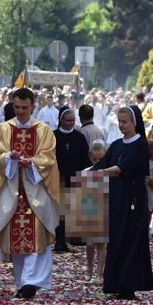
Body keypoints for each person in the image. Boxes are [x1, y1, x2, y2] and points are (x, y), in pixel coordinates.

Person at [0, 88, 60, 300]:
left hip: (35, 191)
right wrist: (10, 157)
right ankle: (22, 282)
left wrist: (31, 163)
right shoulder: (4, 129)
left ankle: (31, 281)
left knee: (37, 237)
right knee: (16, 241)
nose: (20, 112)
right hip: (11, 190)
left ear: (33, 106)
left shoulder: (44, 130)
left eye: (24, 108)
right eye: (17, 107)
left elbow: (48, 158)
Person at [88, 105, 153, 300]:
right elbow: (104, 163)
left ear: (135, 123)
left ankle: (129, 285)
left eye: (124, 122)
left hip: (133, 200)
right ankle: (115, 284)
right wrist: (87, 173)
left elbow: (121, 168)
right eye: (119, 121)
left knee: (131, 240)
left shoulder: (142, 144)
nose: (121, 125)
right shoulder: (117, 144)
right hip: (117, 199)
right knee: (117, 240)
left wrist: (100, 173)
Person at [53, 106, 91, 253]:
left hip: (75, 178)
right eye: (68, 120)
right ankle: (59, 242)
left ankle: (68, 240)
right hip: (58, 178)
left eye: (73, 120)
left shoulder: (79, 137)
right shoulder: (53, 136)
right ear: (61, 120)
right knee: (59, 212)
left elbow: (85, 160)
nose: (70, 123)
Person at [85, 142, 108, 283]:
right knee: (90, 243)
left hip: (105, 209)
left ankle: (100, 273)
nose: (98, 162)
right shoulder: (86, 172)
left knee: (101, 244)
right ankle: (89, 265)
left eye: (101, 159)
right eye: (95, 159)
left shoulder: (109, 172)